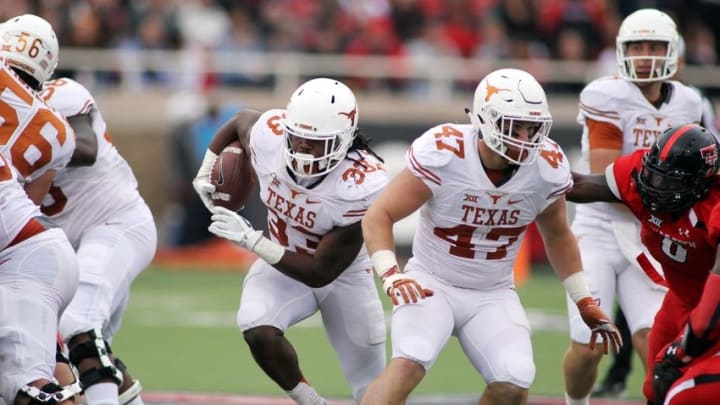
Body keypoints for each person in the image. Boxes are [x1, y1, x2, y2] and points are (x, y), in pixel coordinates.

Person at [358, 68, 622, 405]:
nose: (526, 139)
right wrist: (391, 273)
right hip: (432, 283)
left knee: (513, 384)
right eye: (516, 127)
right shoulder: (446, 152)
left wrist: (584, 299)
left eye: (533, 128)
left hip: (493, 293)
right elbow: (380, 214)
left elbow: (558, 234)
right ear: (485, 119)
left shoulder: (545, 165)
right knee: (408, 364)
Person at [192, 78, 388, 405]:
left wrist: (253, 240)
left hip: (343, 277)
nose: (302, 150)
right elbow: (240, 120)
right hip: (281, 267)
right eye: (297, 139)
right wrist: (207, 167)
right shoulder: (271, 134)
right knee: (256, 326)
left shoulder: (364, 184)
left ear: (344, 138)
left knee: (374, 394)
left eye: (316, 143)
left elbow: (320, 272)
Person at [0, 14, 157, 405]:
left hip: (114, 222)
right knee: (72, 350)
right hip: (58, 244)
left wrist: (36, 132)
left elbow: (83, 147)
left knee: (77, 325)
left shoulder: (60, 99)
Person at [562, 9, 704, 405]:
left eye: (654, 46)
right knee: (590, 345)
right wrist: (671, 186)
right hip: (600, 230)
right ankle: (576, 403)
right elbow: (609, 177)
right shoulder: (606, 95)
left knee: (657, 343)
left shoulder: (689, 102)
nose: (645, 55)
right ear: (622, 51)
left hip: (651, 233)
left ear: (672, 50)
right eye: (637, 47)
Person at [567, 123, 720, 404]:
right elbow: (577, 185)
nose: (655, 187)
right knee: (654, 387)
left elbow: (715, 300)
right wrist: (532, 174)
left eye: (670, 182)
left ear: (701, 183)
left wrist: (685, 348)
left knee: (683, 394)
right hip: (681, 300)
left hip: (714, 308)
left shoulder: (714, 208)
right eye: (653, 174)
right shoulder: (641, 176)